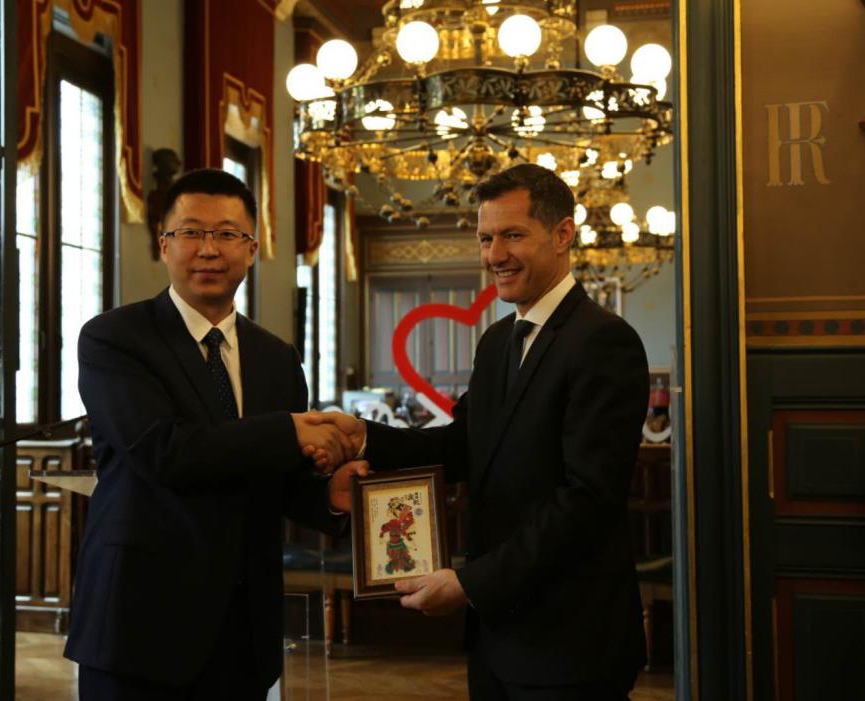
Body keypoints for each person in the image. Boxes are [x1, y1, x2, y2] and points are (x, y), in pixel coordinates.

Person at [312, 164, 649, 700]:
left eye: (512, 235)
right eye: (486, 238)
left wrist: (471, 583)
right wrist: (362, 437)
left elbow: (587, 499)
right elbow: (461, 445)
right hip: (496, 639)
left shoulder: (604, 341)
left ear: (563, 234)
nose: (495, 255)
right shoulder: (497, 342)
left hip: (571, 641)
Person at [64, 168, 366, 700]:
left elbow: (278, 475)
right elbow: (166, 453)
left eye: (227, 234)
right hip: (140, 623)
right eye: (191, 232)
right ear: (164, 244)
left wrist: (329, 499)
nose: (209, 249)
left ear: (251, 250)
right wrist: (288, 430)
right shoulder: (115, 339)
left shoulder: (276, 357)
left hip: (244, 629)